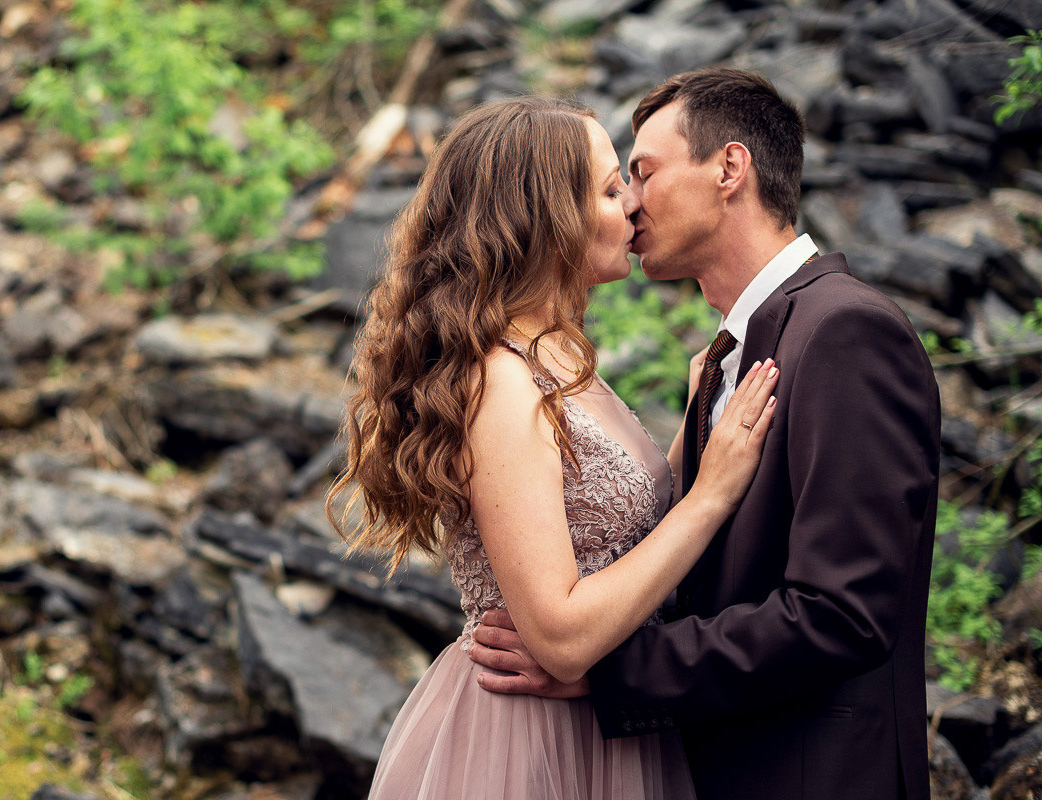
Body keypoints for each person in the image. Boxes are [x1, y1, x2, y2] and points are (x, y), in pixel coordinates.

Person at [469, 68, 942, 800]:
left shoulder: (845, 331)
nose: (630, 202)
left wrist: (612, 673)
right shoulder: (728, 356)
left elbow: (841, 614)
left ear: (728, 168)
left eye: (643, 173)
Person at [328, 96, 781, 800]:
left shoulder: (561, 360)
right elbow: (561, 637)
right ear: (543, 218)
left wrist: (697, 426)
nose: (633, 205)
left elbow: (611, 534)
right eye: (608, 189)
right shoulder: (502, 380)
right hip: (525, 741)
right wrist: (711, 495)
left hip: (604, 728)